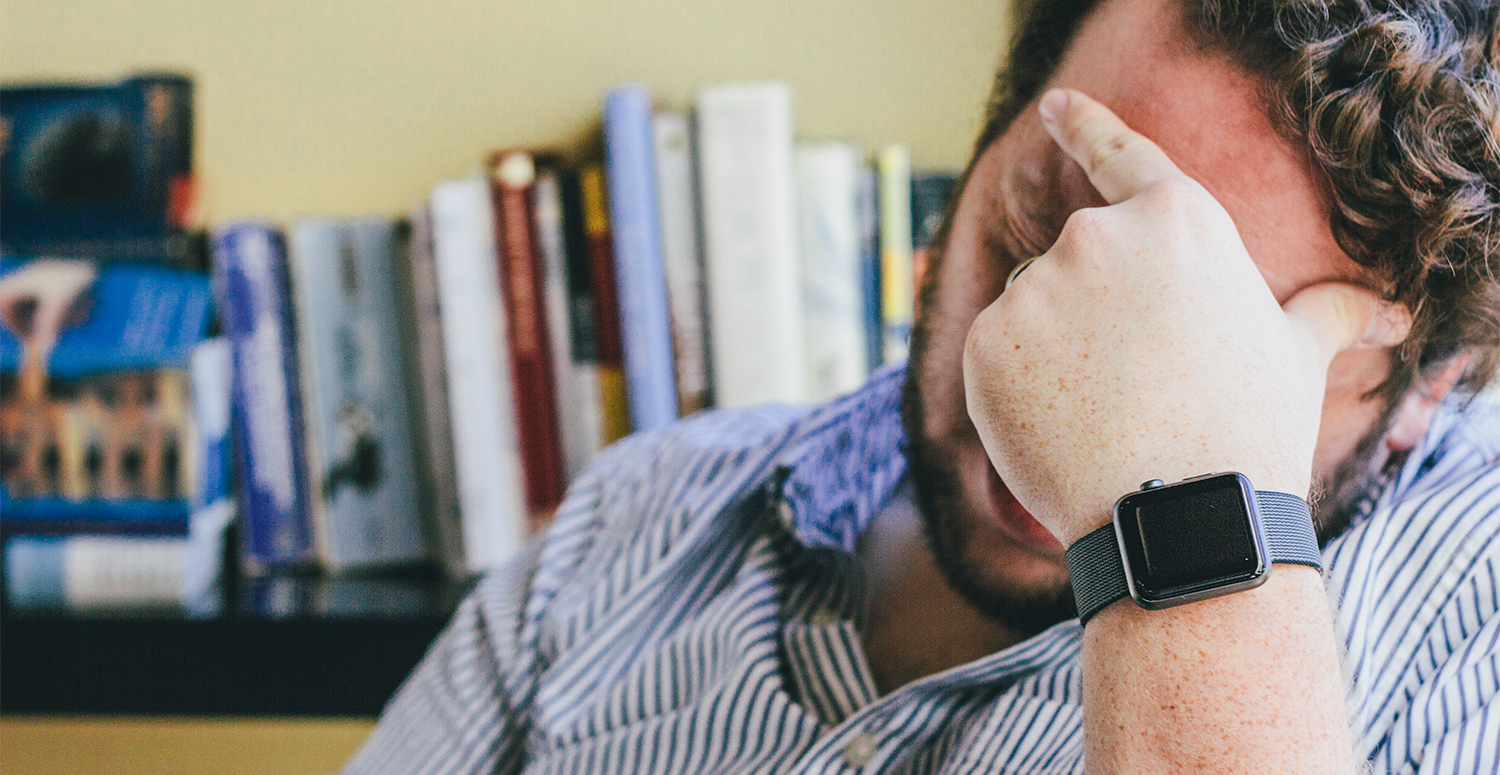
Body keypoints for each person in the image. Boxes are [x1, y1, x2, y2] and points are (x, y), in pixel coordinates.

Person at [346, 0, 1500, 770]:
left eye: (1220, 353)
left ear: (1421, 394)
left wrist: (1188, 539)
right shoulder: (633, 515)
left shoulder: (1470, 628)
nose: (1045, 413)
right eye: (1034, 247)